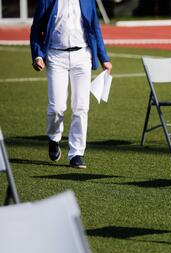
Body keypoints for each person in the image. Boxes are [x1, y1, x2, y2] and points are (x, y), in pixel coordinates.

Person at [30, 0, 112, 169]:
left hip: (82, 56)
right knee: (57, 107)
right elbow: (36, 29)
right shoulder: (47, 1)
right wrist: (38, 56)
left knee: (81, 107)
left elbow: (95, 28)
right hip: (55, 56)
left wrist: (104, 58)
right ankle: (54, 138)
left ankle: (76, 153)